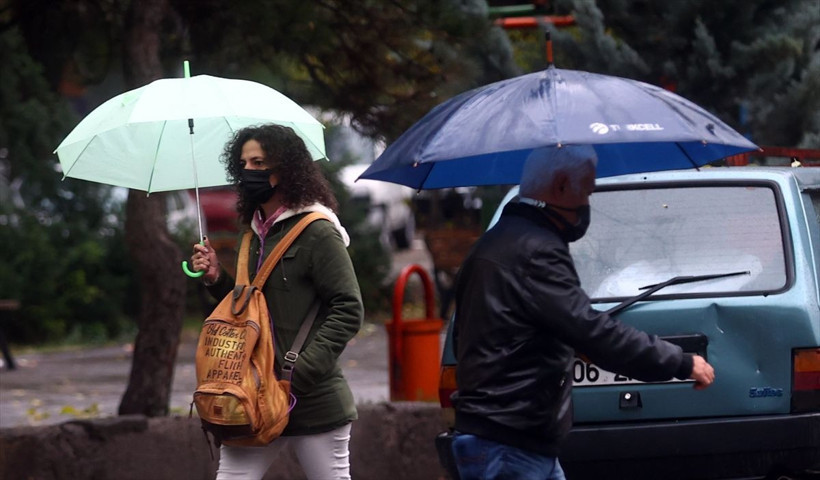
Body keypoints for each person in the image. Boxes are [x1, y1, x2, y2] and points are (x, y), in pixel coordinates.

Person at [449, 145, 715, 480]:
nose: (587, 204)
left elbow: (497, 332)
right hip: (509, 443)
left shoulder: (498, 242)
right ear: (560, 185)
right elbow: (592, 330)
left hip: (512, 438)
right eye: (586, 191)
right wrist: (681, 362)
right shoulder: (536, 251)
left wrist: (559, 347)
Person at [190, 124, 363, 480]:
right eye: (243, 164)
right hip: (251, 398)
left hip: (311, 402)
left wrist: (296, 375)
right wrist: (215, 279)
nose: (248, 172)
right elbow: (246, 308)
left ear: (286, 168)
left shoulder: (317, 230)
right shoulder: (253, 232)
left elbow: (348, 308)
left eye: (259, 162)